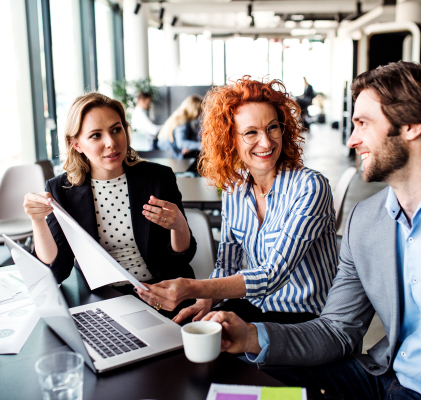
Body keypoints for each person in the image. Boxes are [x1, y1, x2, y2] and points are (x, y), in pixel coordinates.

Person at [201, 62, 421, 400]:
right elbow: (336, 330)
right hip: (382, 378)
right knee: (247, 387)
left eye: (363, 124)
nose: (352, 140)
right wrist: (251, 336)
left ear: (412, 125)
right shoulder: (365, 220)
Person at [136, 76, 338, 325]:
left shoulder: (310, 186)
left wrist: (194, 288)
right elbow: (227, 263)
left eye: (272, 127)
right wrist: (206, 300)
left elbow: (272, 275)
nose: (266, 142)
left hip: (307, 318)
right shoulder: (235, 189)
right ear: (230, 139)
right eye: (251, 132)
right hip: (254, 307)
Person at [23, 92, 197, 315]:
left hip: (161, 294)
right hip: (103, 301)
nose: (111, 143)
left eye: (116, 129)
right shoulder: (61, 190)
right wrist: (38, 221)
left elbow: (179, 261)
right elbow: (57, 271)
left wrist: (180, 226)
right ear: (75, 144)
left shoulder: (157, 178)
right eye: (96, 135)